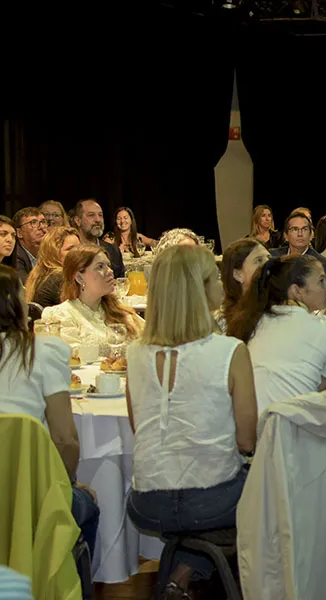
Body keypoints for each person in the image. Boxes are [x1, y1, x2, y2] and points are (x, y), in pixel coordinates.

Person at [126, 245, 257, 598]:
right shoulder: (229, 352)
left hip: (146, 502)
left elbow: (141, 427)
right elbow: (247, 441)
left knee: (195, 507)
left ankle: (180, 575)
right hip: (212, 498)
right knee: (270, 486)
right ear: (200, 289)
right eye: (214, 277)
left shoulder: (134, 354)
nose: (220, 282)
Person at [0, 264, 100, 561]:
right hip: (30, 497)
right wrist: (67, 483)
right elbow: (65, 439)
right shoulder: (44, 351)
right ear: (16, 305)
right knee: (86, 504)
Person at [228, 256, 326, 415]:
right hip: (295, 426)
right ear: (297, 290)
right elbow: (322, 390)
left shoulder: (251, 322)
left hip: (246, 425)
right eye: (321, 281)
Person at [41, 245, 144, 347]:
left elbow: (151, 337)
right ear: (79, 278)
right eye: (100, 267)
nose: (110, 271)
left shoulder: (119, 310)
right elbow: (71, 356)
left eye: (108, 265)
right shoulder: (61, 315)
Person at [216, 239, 270, 333]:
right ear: (238, 275)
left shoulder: (284, 308)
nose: (268, 264)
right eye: (259, 260)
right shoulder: (222, 322)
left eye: (269, 258)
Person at [24, 226, 81, 308]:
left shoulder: (43, 274)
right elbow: (77, 313)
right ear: (54, 252)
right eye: (70, 249)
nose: (78, 253)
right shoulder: (59, 278)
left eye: (79, 248)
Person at [270, 211, 326, 280]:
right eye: (295, 229)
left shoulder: (321, 262)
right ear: (285, 235)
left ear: (311, 235)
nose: (300, 234)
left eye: (304, 229)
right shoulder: (273, 256)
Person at [73, 199, 126, 278]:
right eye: (91, 215)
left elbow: (121, 284)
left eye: (100, 215)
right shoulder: (71, 251)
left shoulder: (113, 251)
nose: (98, 220)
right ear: (78, 220)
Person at [10, 207, 49, 282]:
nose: (41, 227)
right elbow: (26, 287)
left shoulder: (49, 251)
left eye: (43, 222)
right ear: (19, 233)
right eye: (33, 222)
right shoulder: (15, 256)